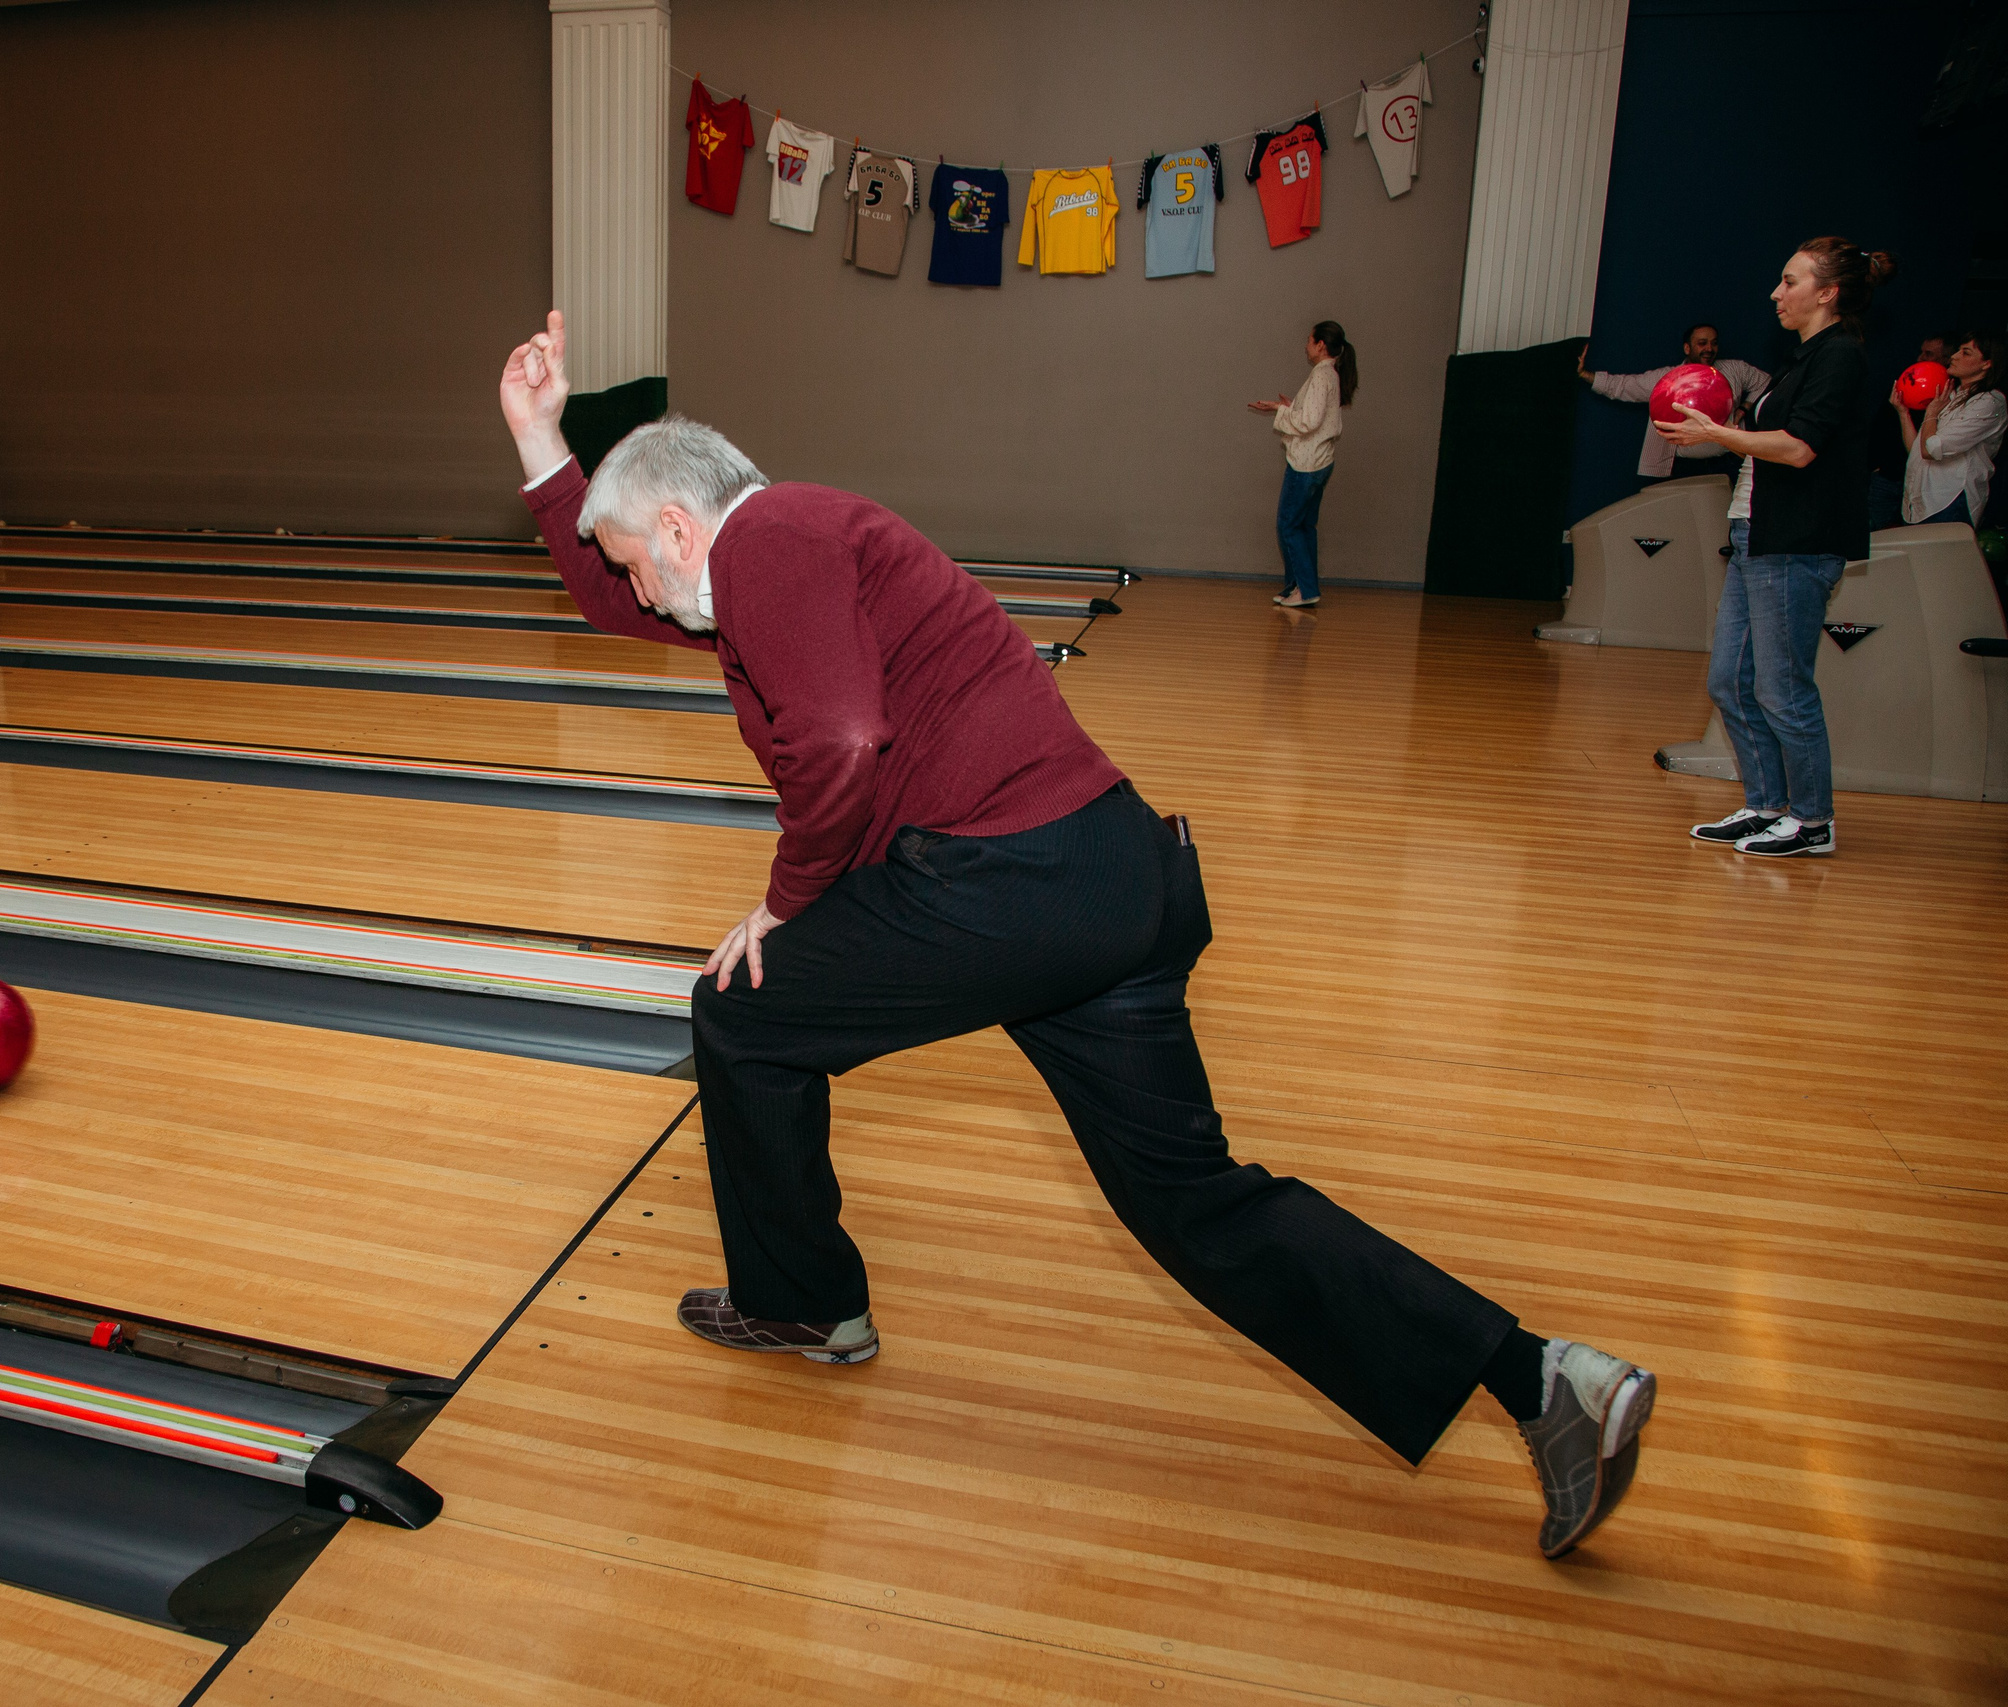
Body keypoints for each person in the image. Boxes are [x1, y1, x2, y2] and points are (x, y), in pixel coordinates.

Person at [496, 307, 1660, 1560]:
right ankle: (1542, 1379)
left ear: (681, 528)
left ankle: (803, 1305)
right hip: (1110, 874)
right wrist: (538, 435)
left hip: (1004, 882)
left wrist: (787, 901)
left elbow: (839, 739)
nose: (631, 588)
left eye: (632, 560)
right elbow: (621, 610)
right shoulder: (781, 557)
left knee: (741, 1011)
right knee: (1192, 1201)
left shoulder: (774, 535)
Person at [1658, 239, 1891, 859]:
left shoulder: (1840, 355)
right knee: (1730, 682)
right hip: (1756, 532)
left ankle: (1812, 822)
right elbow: (1770, 439)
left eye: (1790, 282)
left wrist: (1718, 433)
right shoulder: (1803, 357)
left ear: (1828, 292)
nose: (1775, 293)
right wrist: (1715, 431)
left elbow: (1799, 448)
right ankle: (1766, 806)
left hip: (1797, 541)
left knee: (1783, 689)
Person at [1246, 321, 1354, 608]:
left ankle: (1305, 589)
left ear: (1321, 345)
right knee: (1304, 526)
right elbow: (1315, 415)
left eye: (1309, 340)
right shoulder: (1329, 374)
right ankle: (1298, 586)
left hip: (1306, 464)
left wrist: (1281, 410)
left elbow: (1309, 422)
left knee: (1289, 525)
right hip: (1319, 461)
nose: (1306, 346)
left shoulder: (1322, 375)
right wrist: (1287, 407)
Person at [1577, 323, 1768, 484]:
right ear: (1687, 348)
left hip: (1727, 463)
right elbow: (1624, 386)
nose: (1709, 349)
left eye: (1714, 343)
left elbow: (1766, 382)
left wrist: (1745, 408)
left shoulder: (1735, 369)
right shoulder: (1668, 379)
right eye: (1702, 343)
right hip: (1685, 469)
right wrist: (1584, 374)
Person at [1897, 330, 2004, 527]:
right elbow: (1917, 451)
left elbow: (1931, 450)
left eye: (1966, 353)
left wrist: (1931, 412)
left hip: (1948, 501)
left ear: (1986, 364)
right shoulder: (1952, 396)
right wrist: (1903, 413)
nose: (1954, 356)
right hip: (1919, 501)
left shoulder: (1989, 402)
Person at [1871, 334, 1956, 530]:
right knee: (1876, 535)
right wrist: (1876, 464)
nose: (1920, 358)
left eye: (1929, 354)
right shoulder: (1906, 383)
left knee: (1915, 537)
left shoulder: (1952, 397)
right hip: (1888, 476)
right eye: (1921, 352)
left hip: (1926, 482)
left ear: (1946, 359)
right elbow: (1881, 426)